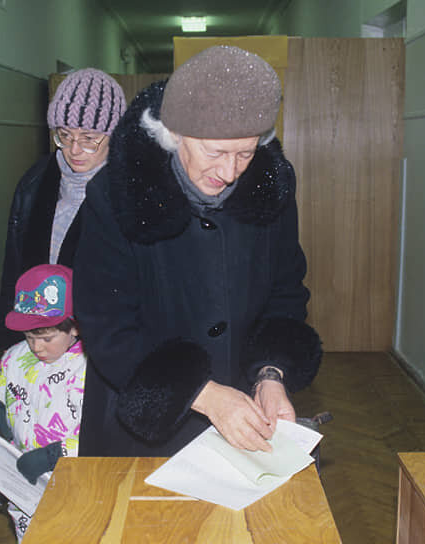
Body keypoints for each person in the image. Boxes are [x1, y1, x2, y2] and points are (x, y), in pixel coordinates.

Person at [73, 45, 322, 457]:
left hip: (241, 413)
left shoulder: (269, 189)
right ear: (174, 135)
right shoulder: (115, 196)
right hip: (139, 423)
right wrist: (201, 393)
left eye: (245, 153)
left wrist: (271, 374)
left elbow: (285, 293)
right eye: (216, 153)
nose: (229, 173)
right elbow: (107, 325)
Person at [0, 68, 126, 349]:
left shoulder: (130, 191)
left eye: (89, 138)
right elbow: (14, 267)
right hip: (38, 335)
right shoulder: (35, 182)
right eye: (64, 135)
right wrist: (9, 337)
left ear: (114, 136)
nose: (74, 149)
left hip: (102, 341)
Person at [0, 264, 85, 540]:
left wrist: (56, 455)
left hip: (71, 479)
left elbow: (101, 431)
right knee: (29, 533)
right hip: (22, 479)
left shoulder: (89, 368)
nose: (37, 347)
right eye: (30, 337)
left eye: (46, 338)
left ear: (76, 328)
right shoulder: (15, 356)